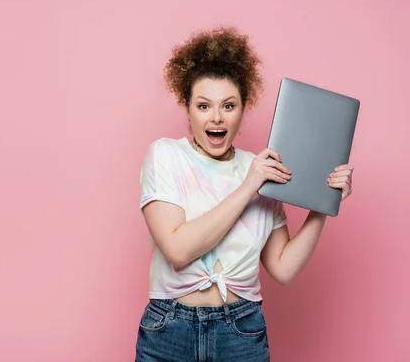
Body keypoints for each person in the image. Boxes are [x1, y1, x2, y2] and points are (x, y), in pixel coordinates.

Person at [135, 27, 354, 361]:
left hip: (240, 331)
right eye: (204, 105)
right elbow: (178, 250)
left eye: (229, 105)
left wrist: (323, 203)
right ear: (188, 107)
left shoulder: (260, 168)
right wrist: (248, 187)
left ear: (242, 109)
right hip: (169, 330)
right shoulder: (166, 155)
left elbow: (283, 269)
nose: (217, 117)